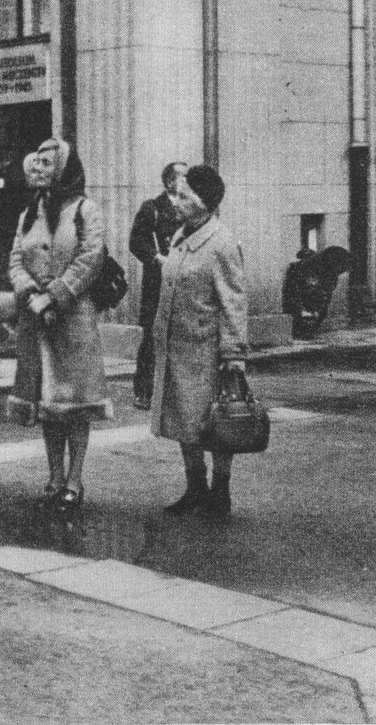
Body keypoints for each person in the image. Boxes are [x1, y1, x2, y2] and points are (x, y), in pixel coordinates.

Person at [7, 138, 112, 512]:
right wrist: (29, 290)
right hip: (36, 321)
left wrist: (56, 294)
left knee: (76, 406)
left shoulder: (86, 209)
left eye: (48, 163)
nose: (39, 168)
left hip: (74, 321)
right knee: (48, 405)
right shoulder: (29, 212)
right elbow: (16, 259)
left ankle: (74, 479)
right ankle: (53, 476)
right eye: (38, 162)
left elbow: (90, 258)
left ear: (65, 168)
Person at [148, 164, 248, 518]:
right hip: (177, 348)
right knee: (182, 420)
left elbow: (233, 302)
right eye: (175, 194)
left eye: (183, 196)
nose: (175, 201)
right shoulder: (180, 235)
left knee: (219, 422)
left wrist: (234, 355)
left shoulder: (221, 243)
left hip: (209, 351)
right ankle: (195, 488)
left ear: (205, 203)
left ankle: (220, 492)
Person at [128, 161, 186, 410]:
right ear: (170, 182)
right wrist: (156, 257)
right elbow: (136, 241)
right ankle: (144, 391)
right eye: (183, 177)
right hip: (158, 282)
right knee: (152, 337)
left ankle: (173, 392)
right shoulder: (152, 208)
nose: (187, 181)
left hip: (183, 280)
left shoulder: (190, 208)